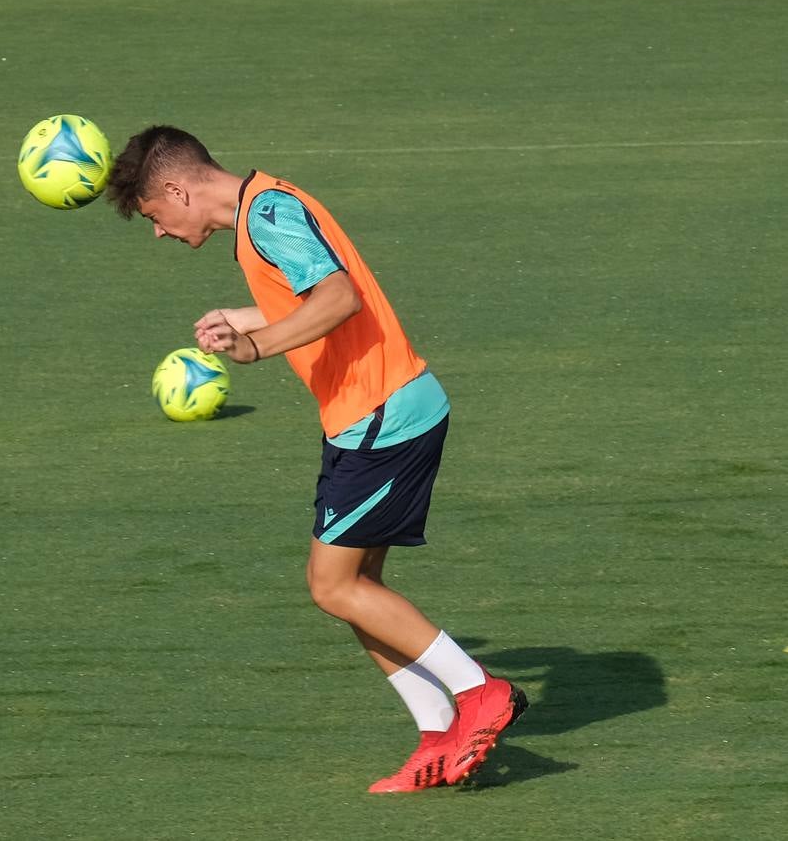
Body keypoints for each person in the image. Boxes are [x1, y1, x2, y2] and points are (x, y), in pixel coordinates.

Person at [104, 126, 527, 792]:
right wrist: (244, 318)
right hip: (367, 416)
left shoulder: (268, 216)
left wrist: (258, 345)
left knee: (332, 585)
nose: (158, 232)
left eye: (155, 216)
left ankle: (481, 692)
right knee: (357, 593)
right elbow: (313, 293)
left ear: (179, 190)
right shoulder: (262, 211)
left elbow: (339, 298)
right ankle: (438, 735)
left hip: (381, 417)